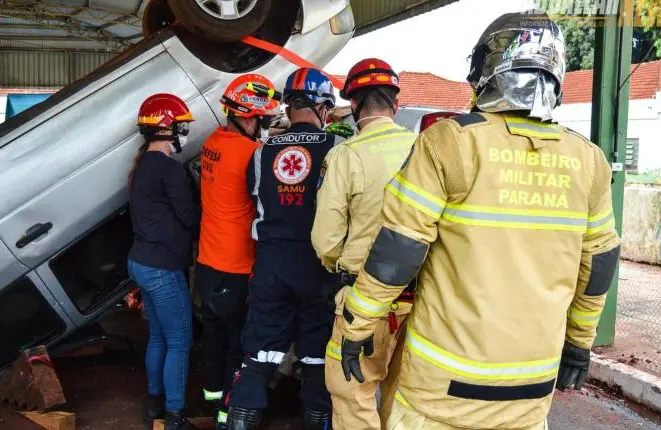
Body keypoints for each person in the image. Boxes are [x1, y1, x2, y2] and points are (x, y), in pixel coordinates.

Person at [337, 11, 621, 430]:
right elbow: (599, 263)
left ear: (487, 68)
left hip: (441, 391)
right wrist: (579, 345)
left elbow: (399, 250)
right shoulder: (588, 159)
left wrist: (357, 324)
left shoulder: (450, 142)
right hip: (531, 389)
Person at [226, 67, 338, 430]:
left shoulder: (261, 152)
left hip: (271, 264)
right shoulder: (337, 148)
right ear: (323, 108)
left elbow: (255, 196)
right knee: (317, 360)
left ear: (288, 107)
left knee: (258, 356)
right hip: (318, 265)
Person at [311, 58, 418, 430]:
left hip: (363, 300)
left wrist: (339, 266)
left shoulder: (345, 155)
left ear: (353, 104)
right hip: (421, 301)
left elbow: (325, 239)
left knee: (352, 393)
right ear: (396, 104)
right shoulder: (423, 148)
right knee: (404, 398)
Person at [195, 74, 281, 429]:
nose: (264, 126)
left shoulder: (212, 142)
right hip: (236, 266)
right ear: (248, 116)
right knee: (237, 343)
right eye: (263, 119)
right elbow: (268, 204)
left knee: (212, 335)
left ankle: (210, 398)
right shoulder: (251, 154)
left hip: (206, 263)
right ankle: (226, 414)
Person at [127, 93, 200, 430]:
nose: (185, 133)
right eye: (182, 126)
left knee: (158, 337)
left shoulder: (142, 165)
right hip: (162, 269)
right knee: (180, 341)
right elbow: (189, 217)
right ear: (168, 129)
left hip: (141, 262)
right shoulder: (169, 169)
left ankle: (154, 404)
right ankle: (174, 415)